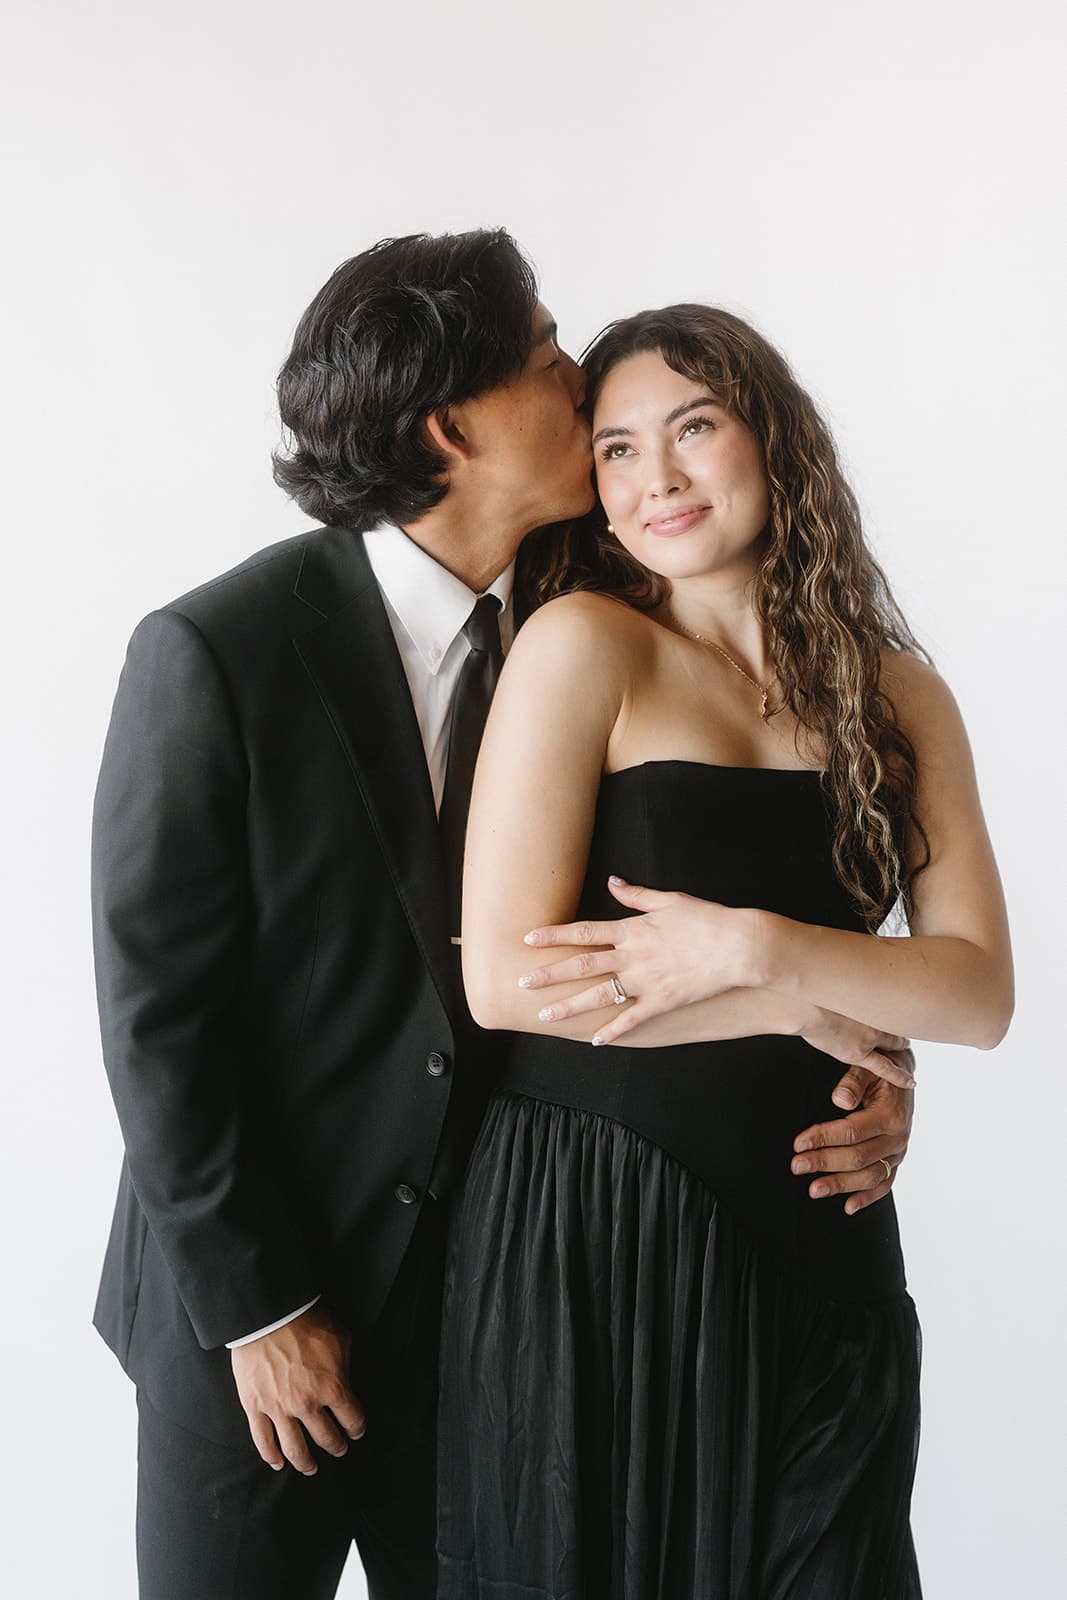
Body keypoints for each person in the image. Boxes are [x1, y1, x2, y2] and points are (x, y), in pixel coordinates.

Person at [92, 234, 916, 1600]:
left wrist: (853, 1056)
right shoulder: (219, 651)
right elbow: (157, 1017)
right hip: (248, 1326)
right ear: (448, 426)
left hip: (502, 1306)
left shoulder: (595, 612)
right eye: (546, 356)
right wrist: (263, 1310)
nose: (581, 375)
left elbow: (682, 912)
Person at [440, 306, 1013, 1597]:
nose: (661, 480)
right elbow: (504, 980)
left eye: (694, 429)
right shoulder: (584, 643)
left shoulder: (899, 694)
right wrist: (794, 1007)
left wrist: (759, 949)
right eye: (621, 450)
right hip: (599, 1232)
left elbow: (977, 992)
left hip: (824, 1228)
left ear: (772, 437)